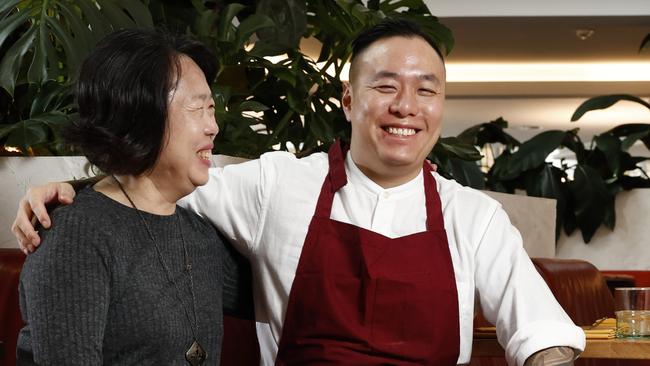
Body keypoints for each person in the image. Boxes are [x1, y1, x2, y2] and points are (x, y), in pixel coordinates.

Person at [12, 19, 584, 365]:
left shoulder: (474, 217)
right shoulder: (274, 185)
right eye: (384, 86)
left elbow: (541, 332)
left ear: (440, 106)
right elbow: (146, 186)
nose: (406, 107)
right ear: (349, 100)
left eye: (425, 91)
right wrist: (72, 191)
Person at [14, 29, 250, 365]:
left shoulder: (199, 235)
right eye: (198, 109)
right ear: (143, 113)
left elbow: (291, 290)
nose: (213, 126)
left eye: (212, 109)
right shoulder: (76, 236)